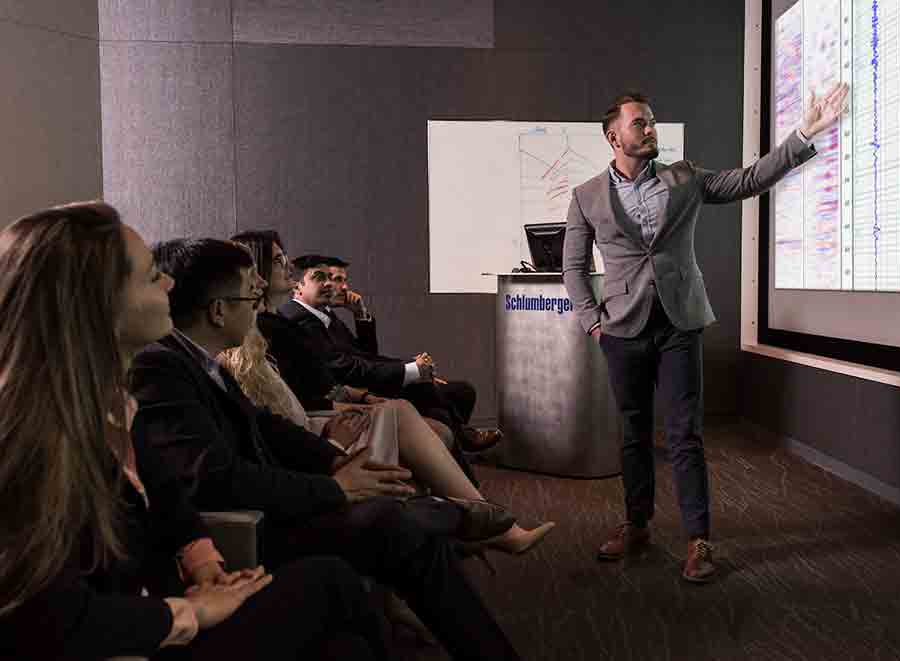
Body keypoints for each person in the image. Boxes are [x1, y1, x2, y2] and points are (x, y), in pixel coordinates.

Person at [0, 202, 387, 660]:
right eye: (150, 277)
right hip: (143, 635)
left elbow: (166, 495)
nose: (169, 284)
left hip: (160, 611)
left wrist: (203, 561)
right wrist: (190, 613)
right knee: (333, 583)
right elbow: (51, 622)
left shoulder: (115, 403)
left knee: (342, 643)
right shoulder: (33, 440)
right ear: (93, 303)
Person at [130, 238, 523, 660]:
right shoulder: (160, 366)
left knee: (387, 535)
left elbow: (266, 425)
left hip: (267, 504)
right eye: (250, 291)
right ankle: (450, 514)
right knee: (389, 526)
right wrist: (336, 488)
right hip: (249, 528)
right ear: (218, 310)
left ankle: (447, 515)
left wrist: (337, 461)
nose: (259, 296)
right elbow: (215, 478)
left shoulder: (198, 360)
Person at [562, 85, 849, 582]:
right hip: (623, 330)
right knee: (632, 433)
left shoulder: (684, 177)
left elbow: (749, 180)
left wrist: (804, 132)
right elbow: (571, 266)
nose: (650, 129)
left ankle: (699, 540)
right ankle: (636, 524)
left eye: (652, 121)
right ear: (614, 136)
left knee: (685, 435)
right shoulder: (587, 196)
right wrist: (592, 321)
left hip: (679, 324)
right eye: (640, 123)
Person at [281, 255, 501, 457]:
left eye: (332, 278)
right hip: (350, 394)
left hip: (358, 386)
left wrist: (362, 316)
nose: (333, 285)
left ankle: (461, 455)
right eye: (321, 278)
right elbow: (345, 368)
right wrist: (411, 370)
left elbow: (364, 355)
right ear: (297, 286)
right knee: (440, 397)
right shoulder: (302, 319)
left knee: (452, 395)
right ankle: (463, 447)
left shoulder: (322, 314)